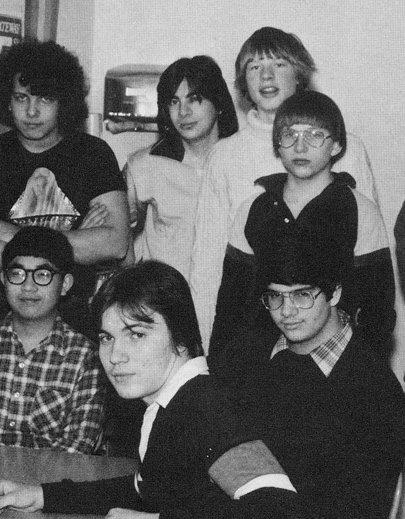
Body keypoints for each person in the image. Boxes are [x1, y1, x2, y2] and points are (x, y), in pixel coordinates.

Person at [0, 261, 316, 519]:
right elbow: (146, 489)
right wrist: (42, 495)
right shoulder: (172, 402)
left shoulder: (204, 407)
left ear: (181, 338)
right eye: (107, 338)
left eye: (136, 335)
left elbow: (281, 515)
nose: (115, 356)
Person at [190, 27, 379, 346]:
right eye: (254, 67)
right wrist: (210, 351)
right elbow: (207, 265)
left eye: (278, 64)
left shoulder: (347, 147)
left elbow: (368, 263)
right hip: (253, 333)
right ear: (243, 83)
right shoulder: (225, 155)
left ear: (299, 75)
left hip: (333, 332)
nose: (266, 76)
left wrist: (363, 351)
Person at [213, 243, 405, 519]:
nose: (286, 312)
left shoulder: (374, 387)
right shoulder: (247, 353)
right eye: (275, 296)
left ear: (335, 293)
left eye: (302, 295)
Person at [0, 39, 128, 336]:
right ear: (6, 101)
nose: (32, 112)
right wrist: (76, 239)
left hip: (77, 322)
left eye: (45, 100)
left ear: (64, 102)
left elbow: (115, 243)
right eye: (21, 98)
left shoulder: (94, 154)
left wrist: (7, 233)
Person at [210, 91, 394, 360]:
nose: (300, 147)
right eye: (289, 135)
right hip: (266, 367)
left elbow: (378, 312)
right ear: (277, 145)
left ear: (336, 146)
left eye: (314, 135)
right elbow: (231, 307)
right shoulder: (254, 209)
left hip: (336, 366)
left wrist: (359, 379)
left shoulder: (360, 210)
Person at [0, 226, 104, 454]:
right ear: (4, 279)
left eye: (43, 275)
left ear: (65, 284)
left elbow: (78, 446)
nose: (28, 286)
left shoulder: (84, 357)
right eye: (17, 274)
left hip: (45, 484)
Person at [126, 55, 238, 279]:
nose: (183, 112)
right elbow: (119, 240)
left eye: (194, 99)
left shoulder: (241, 163)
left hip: (225, 300)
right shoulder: (145, 165)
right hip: (164, 301)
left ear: (218, 104)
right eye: (174, 102)